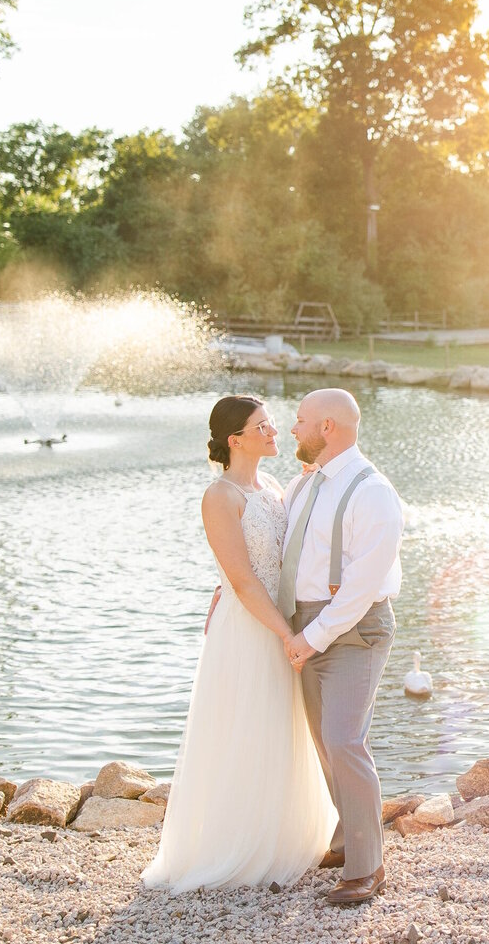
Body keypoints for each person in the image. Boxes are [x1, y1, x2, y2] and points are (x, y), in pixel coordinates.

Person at [141, 395, 336, 892]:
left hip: (280, 618)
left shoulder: (271, 486)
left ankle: (285, 837)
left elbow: (278, 557)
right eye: (263, 426)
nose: (275, 432)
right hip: (251, 627)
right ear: (236, 440)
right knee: (246, 727)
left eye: (272, 424)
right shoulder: (219, 496)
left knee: (280, 726)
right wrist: (289, 634)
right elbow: (245, 581)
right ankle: (237, 848)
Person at [281, 388, 403, 905]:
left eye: (301, 420)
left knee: (344, 741)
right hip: (308, 625)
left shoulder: (373, 492)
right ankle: (345, 841)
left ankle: (368, 867)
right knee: (324, 742)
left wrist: (310, 639)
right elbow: (280, 549)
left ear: (327, 427)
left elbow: (360, 587)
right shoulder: (305, 484)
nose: (292, 429)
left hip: (354, 630)